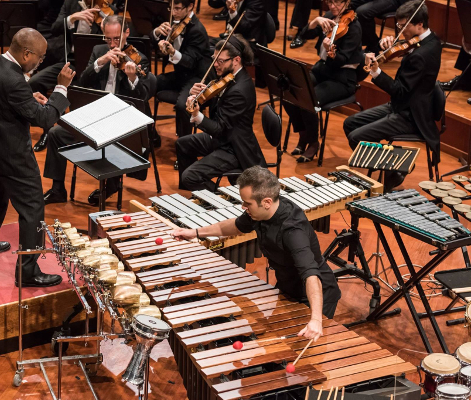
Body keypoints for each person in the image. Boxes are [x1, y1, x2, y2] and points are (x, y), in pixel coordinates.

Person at [172, 166, 342, 340]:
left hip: (316, 296)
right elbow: (235, 226)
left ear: (266, 202)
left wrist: (316, 319)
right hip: (287, 288)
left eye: (247, 203)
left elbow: (311, 274)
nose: (243, 206)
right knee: (276, 343)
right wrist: (194, 233)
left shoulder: (293, 231)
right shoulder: (259, 213)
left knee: (304, 355)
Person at [0, 28, 74, 287]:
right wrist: (61, 87)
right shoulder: (14, 80)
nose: (40, 62)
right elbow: (46, 119)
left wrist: (28, 98)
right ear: (26, 53)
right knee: (32, 209)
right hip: (12, 155)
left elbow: (3, 98)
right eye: (39, 58)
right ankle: (27, 272)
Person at [43, 15, 154, 206]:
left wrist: (132, 78)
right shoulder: (98, 50)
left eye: (116, 39)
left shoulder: (139, 58)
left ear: (127, 33)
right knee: (55, 133)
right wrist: (99, 62)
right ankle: (57, 189)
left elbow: (143, 97)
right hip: (96, 115)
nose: (112, 44)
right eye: (108, 39)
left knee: (111, 141)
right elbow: (83, 82)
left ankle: (111, 184)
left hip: (122, 120)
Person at [343, 0, 441, 192]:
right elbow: (409, 49)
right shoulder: (431, 39)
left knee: (356, 137)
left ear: (419, 25)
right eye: (398, 25)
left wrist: (377, 72)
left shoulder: (421, 54)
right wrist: (386, 45)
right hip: (400, 105)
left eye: (404, 26)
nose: (400, 30)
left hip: (410, 114)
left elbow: (399, 89)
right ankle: (393, 169)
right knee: (350, 123)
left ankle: (396, 167)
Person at [177, 35, 265, 191]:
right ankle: (199, 192)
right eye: (214, 59)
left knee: (189, 177)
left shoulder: (240, 90)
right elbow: (217, 104)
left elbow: (219, 128)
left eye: (220, 61)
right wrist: (196, 95)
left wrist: (197, 115)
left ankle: (218, 200)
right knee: (183, 144)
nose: (215, 64)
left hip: (233, 147)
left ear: (236, 60)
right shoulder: (229, 76)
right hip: (222, 138)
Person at [284, 0, 363, 162]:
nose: (332, 7)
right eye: (330, 3)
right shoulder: (328, 17)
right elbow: (304, 35)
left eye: (337, 3)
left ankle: (313, 143)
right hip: (322, 71)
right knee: (289, 91)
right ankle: (303, 134)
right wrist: (314, 22)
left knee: (309, 99)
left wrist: (330, 51)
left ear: (347, 2)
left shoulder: (354, 27)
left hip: (342, 78)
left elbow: (341, 60)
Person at [29, 0, 102, 152]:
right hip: (71, 61)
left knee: (80, 93)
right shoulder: (70, 4)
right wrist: (72, 18)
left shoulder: (105, 9)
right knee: (35, 81)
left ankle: (80, 136)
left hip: (94, 66)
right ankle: (47, 131)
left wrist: (103, 21)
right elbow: (55, 28)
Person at [151, 0, 210, 138]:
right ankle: (149, 133)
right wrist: (157, 33)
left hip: (196, 77)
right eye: (172, 8)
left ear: (190, 6)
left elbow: (190, 62)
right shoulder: (173, 21)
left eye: (178, 9)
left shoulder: (197, 30)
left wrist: (172, 52)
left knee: (183, 106)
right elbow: (152, 39)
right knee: (148, 82)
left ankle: (184, 147)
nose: (173, 13)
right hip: (180, 74)